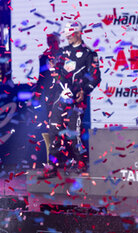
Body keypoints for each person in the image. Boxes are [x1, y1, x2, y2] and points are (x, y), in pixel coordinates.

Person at [38, 21, 101, 179]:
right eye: (66, 35)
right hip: (62, 96)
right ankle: (52, 166)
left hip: (77, 98)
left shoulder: (90, 54)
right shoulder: (63, 51)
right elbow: (59, 72)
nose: (68, 38)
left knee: (74, 132)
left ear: (79, 33)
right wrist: (54, 68)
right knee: (54, 128)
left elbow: (95, 77)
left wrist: (84, 90)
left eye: (70, 35)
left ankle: (81, 163)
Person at [32, 33, 61, 125]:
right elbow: (41, 77)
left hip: (65, 90)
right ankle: (53, 137)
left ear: (59, 41)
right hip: (50, 92)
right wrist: (37, 95)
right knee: (51, 117)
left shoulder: (66, 54)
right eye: (50, 42)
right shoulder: (44, 57)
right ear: (48, 43)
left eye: (55, 41)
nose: (53, 44)